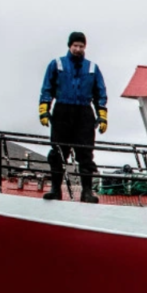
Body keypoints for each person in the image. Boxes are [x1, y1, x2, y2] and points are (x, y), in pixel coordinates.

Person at [38, 31, 108, 203]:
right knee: (58, 153)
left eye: (81, 46)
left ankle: (87, 192)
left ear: (85, 47)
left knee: (85, 154)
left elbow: (100, 92)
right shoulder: (57, 64)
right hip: (62, 110)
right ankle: (55, 190)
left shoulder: (92, 68)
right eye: (75, 45)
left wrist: (102, 115)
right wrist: (44, 110)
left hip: (84, 113)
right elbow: (47, 88)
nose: (78, 49)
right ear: (69, 46)